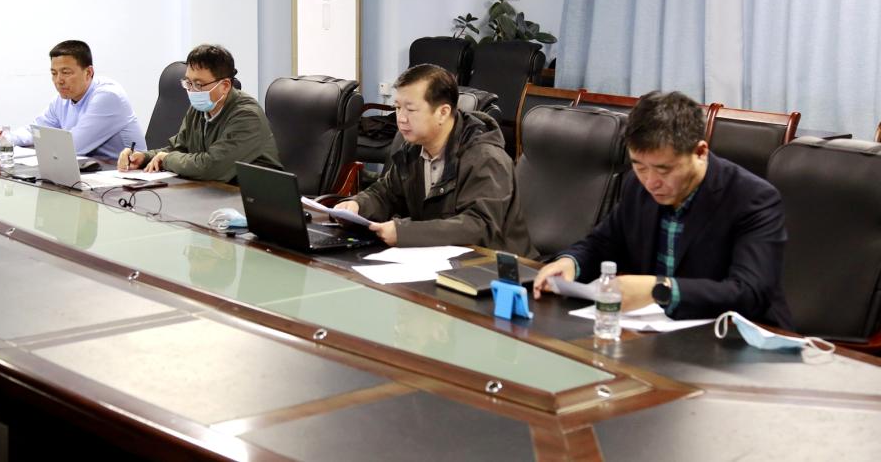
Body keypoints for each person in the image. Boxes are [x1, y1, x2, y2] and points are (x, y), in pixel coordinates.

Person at [532, 91, 793, 328]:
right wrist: (570, 263)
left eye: (664, 169)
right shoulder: (637, 186)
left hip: (736, 338)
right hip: (657, 330)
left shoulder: (753, 199)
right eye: (640, 166)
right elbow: (603, 243)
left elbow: (750, 293)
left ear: (700, 152)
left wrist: (660, 289)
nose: (651, 182)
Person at [334, 64, 535, 256]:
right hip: (438, 260)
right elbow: (386, 194)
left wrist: (405, 233)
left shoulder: (486, 158)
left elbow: (480, 226)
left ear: (443, 112)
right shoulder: (413, 149)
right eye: (397, 108)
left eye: (410, 110)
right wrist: (356, 206)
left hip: (495, 267)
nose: (401, 118)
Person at [119, 44, 281, 182]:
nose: (191, 90)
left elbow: (212, 167)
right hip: (213, 192)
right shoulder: (199, 108)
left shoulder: (248, 116)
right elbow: (180, 149)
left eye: (198, 84)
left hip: (254, 198)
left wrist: (166, 159)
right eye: (188, 83)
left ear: (225, 86)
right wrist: (143, 157)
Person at [9, 40, 146, 160]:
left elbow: (73, 147)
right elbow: (35, 131)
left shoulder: (108, 96)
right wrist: (5, 139)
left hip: (126, 174)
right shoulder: (61, 99)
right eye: (54, 73)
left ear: (88, 73)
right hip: (90, 171)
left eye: (66, 73)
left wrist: (39, 144)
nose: (58, 80)